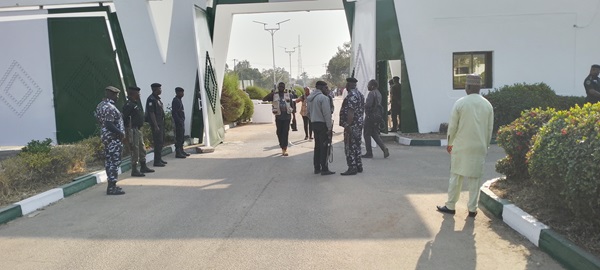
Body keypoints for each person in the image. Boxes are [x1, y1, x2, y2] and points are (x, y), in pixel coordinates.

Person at [437, 74, 494, 218]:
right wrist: (485, 146)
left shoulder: (460, 103)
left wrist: (450, 143)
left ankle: (450, 206)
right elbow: (489, 129)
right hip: (479, 147)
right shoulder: (487, 105)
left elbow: (453, 127)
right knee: (475, 179)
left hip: (461, 146)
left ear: (468, 87)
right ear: (479, 88)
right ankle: (472, 209)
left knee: (456, 176)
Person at [94, 86, 126, 195]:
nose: (117, 97)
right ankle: (112, 187)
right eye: (116, 95)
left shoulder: (101, 105)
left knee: (109, 162)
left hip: (108, 138)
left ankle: (112, 185)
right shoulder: (109, 107)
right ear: (111, 94)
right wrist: (120, 133)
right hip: (113, 139)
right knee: (114, 162)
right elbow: (109, 124)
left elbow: (100, 121)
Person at [122, 86, 155, 177]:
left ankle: (143, 166)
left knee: (142, 148)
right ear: (133, 94)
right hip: (132, 130)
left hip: (138, 130)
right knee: (135, 149)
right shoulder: (129, 105)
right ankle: (134, 169)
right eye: (138, 93)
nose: (139, 95)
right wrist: (126, 132)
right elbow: (124, 119)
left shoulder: (135, 103)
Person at [307, 81, 335, 176]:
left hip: (314, 124)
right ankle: (324, 168)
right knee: (324, 147)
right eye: (326, 88)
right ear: (321, 88)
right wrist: (329, 127)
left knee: (317, 146)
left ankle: (317, 167)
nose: (327, 90)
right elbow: (327, 114)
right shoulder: (323, 98)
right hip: (323, 125)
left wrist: (313, 120)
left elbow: (308, 113)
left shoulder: (310, 98)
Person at [339, 77, 365, 176]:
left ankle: (352, 167)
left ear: (349, 85)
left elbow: (351, 111)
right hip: (358, 125)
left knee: (350, 147)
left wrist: (348, 125)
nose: (345, 86)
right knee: (357, 145)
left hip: (352, 125)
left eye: (346, 84)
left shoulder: (351, 96)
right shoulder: (360, 95)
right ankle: (359, 165)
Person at [263, 82, 294, 156]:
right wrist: (271, 93)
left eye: (282, 87)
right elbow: (264, 99)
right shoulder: (274, 95)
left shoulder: (288, 95)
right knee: (279, 132)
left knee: (285, 132)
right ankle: (281, 145)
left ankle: (285, 148)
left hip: (287, 116)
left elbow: (292, 106)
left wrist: (294, 117)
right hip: (279, 116)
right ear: (278, 87)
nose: (281, 88)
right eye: (280, 86)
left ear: (284, 88)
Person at [362, 79, 389, 158]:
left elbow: (368, 105)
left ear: (372, 86)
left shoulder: (371, 93)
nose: (368, 86)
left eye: (369, 85)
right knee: (374, 134)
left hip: (370, 117)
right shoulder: (379, 93)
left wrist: (363, 105)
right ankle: (384, 148)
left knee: (366, 134)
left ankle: (369, 152)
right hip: (377, 117)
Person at [145, 83, 167, 166]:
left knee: (161, 142)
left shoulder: (157, 99)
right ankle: (157, 161)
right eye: (159, 89)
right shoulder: (151, 99)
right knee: (157, 142)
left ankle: (159, 158)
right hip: (156, 124)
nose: (161, 90)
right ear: (155, 90)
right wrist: (155, 125)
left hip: (160, 123)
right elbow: (151, 113)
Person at [172, 87, 189, 158]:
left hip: (181, 121)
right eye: (181, 92)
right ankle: (178, 152)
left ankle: (181, 150)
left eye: (183, 92)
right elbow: (174, 113)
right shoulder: (175, 100)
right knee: (179, 137)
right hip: (178, 122)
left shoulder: (179, 100)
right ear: (177, 92)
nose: (182, 94)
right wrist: (179, 121)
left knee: (181, 137)